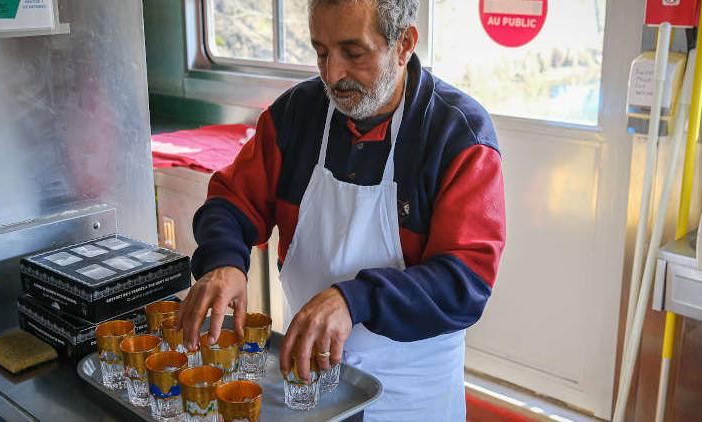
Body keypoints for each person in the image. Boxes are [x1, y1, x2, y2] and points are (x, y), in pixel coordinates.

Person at [178, 0, 506, 419]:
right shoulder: (295, 115)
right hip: (308, 375)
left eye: (353, 53)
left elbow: (464, 282)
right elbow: (232, 198)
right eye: (321, 51)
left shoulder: (457, 135)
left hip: (411, 394)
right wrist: (224, 261)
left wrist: (356, 299)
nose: (332, 74)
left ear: (403, 44)